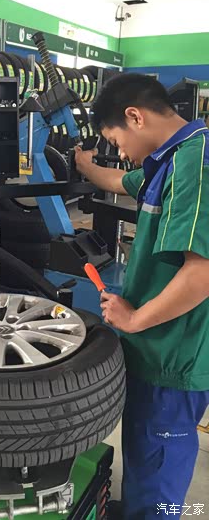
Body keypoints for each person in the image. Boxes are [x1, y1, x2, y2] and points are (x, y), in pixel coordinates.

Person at [75, 73, 209, 520]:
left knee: (159, 459)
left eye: (116, 140)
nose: (120, 152)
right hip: (158, 345)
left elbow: (203, 271)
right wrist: (84, 165)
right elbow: (119, 181)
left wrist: (134, 319)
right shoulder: (169, 158)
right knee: (143, 445)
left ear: (135, 116)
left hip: (174, 352)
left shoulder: (197, 161)